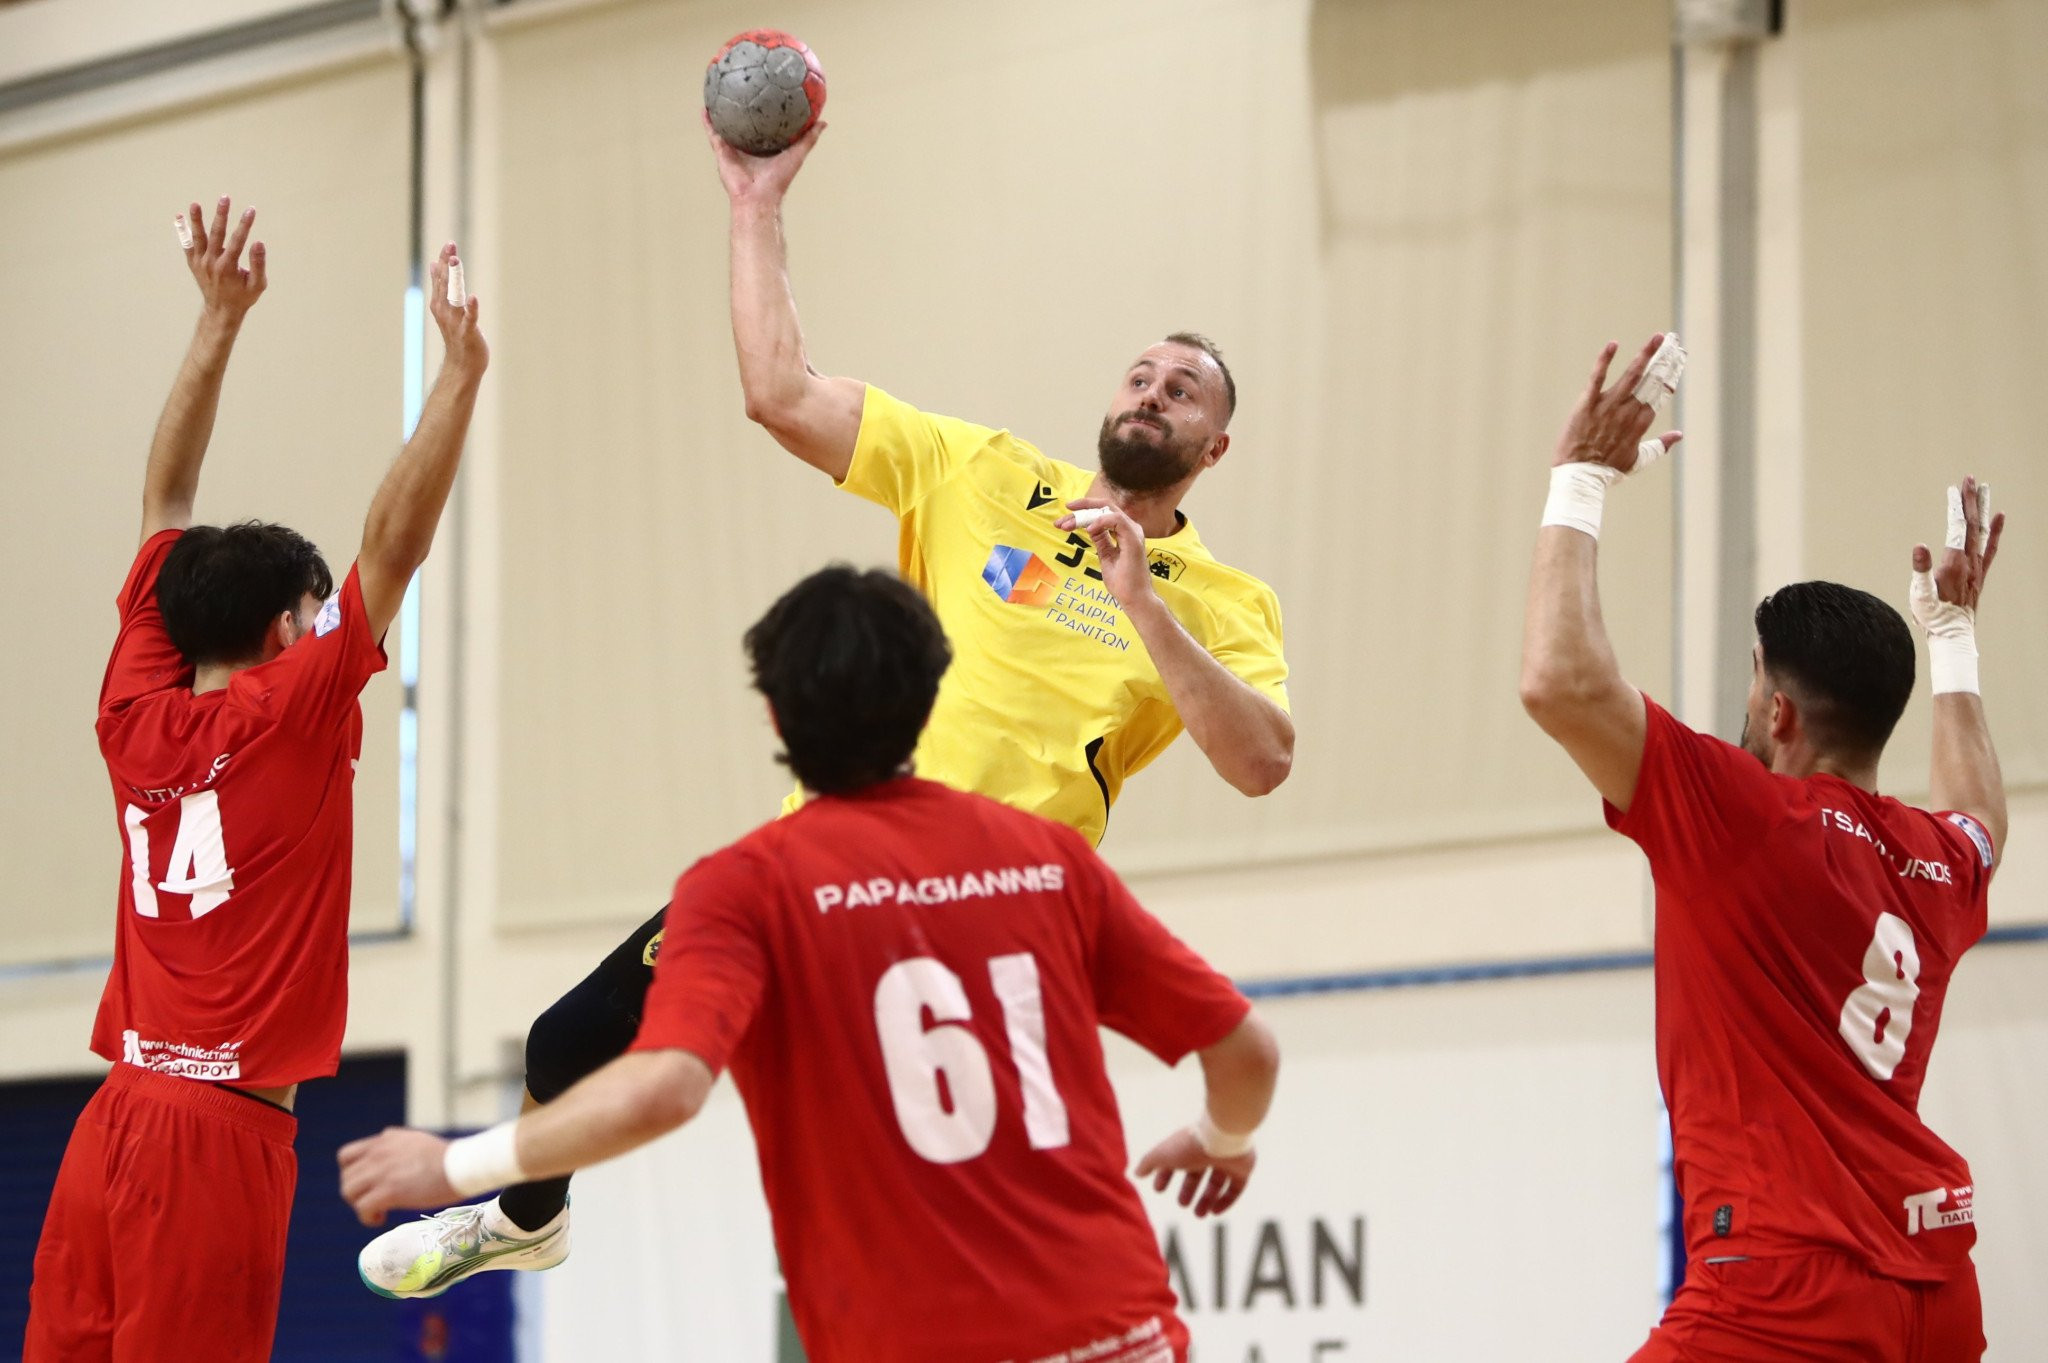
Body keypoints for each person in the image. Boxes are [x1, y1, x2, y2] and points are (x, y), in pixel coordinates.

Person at [357, 117, 1295, 1293]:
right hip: (834, 857)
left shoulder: (1222, 598)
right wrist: (754, 205)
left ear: (1216, 445)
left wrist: (1142, 604)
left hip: (996, 904)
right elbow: (779, 391)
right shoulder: (985, 471)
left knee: (934, 1204)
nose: (1154, 393)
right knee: (566, 1042)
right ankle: (526, 1214)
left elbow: (1261, 761)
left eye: (1185, 390)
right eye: (1142, 374)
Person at [342, 565, 1281, 1361]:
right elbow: (1247, 1050)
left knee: (577, 1035)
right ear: (933, 696)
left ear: (773, 712)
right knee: (569, 1033)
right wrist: (1222, 1139)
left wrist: (457, 1160)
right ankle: (524, 1220)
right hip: (1122, 1334)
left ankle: (521, 1212)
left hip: (919, 1345)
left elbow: (666, 1086)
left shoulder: (747, 889)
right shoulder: (1053, 859)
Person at [24, 200, 488, 1363]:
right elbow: (395, 545)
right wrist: (459, 375)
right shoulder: (292, 711)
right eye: (315, 611)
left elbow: (165, 501)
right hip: (215, 1143)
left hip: (111, 1120)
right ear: (287, 627)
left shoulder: (131, 709)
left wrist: (216, 320)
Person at [1519, 335, 2006, 1362]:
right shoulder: (1939, 861)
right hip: (1934, 1284)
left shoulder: (1740, 812)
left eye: (1750, 681)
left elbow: (1557, 681)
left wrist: (1579, 481)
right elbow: (1980, 818)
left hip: (1784, 1288)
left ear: (1778, 711)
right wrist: (1952, 639)